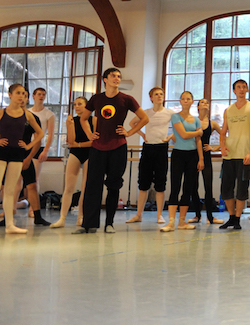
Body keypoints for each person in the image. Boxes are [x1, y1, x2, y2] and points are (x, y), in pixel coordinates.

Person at [76, 68, 149, 234]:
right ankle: (89, 224)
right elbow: (83, 118)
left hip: (118, 147)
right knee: (92, 186)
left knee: (113, 186)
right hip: (97, 147)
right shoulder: (96, 98)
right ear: (105, 79)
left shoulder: (126, 99)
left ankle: (109, 223)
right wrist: (89, 134)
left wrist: (129, 133)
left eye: (119, 76)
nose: (116, 78)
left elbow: (144, 118)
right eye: (113, 76)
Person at [0, 84, 44, 234]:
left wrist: (29, 146)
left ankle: (10, 225)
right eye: (18, 93)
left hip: (17, 154)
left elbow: (40, 134)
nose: (21, 96)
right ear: (10, 94)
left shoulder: (27, 115)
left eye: (23, 93)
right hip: (1, 153)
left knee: (9, 190)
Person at [126, 87, 173, 225]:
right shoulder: (146, 112)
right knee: (143, 183)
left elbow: (182, 124)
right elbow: (132, 123)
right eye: (156, 94)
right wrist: (143, 135)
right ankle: (138, 214)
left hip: (161, 148)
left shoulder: (170, 113)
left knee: (160, 183)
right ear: (151, 98)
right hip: (148, 148)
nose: (159, 96)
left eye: (161, 94)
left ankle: (159, 215)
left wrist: (170, 136)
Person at [218, 79, 250, 230]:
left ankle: (237, 219)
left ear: (247, 90)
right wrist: (222, 146)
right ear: (234, 90)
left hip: (244, 154)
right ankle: (230, 217)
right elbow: (223, 132)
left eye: (244, 87)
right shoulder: (228, 110)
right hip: (229, 154)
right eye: (238, 87)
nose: (241, 89)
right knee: (226, 188)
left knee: (242, 188)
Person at [162, 91, 203, 232]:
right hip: (179, 154)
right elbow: (183, 135)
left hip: (193, 156)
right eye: (183, 99)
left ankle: (182, 221)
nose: (186, 101)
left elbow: (198, 141)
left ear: (192, 101)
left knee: (188, 188)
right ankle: (171, 222)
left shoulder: (196, 119)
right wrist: (197, 132)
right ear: (180, 101)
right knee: (175, 187)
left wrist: (201, 158)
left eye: (188, 99)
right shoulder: (175, 116)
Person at [50, 97, 93, 228]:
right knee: (69, 187)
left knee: (85, 188)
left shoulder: (94, 120)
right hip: (75, 153)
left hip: (89, 153)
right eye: (75, 104)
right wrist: (70, 125)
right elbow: (71, 141)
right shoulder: (71, 120)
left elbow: (94, 141)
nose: (77, 106)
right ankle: (62, 218)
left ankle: (81, 216)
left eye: (80, 104)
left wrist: (78, 145)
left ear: (86, 106)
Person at [189, 98, 223, 225]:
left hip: (206, 156)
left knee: (208, 187)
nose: (205, 104)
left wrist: (214, 148)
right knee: (193, 187)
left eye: (207, 103)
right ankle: (197, 215)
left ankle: (210, 216)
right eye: (202, 102)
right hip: (193, 155)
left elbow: (224, 136)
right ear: (197, 107)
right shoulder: (192, 121)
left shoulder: (212, 123)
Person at [29, 88, 55, 188]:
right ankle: (19, 201)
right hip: (26, 144)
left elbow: (51, 134)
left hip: (39, 146)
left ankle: (33, 203)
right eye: (39, 94)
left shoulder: (49, 114)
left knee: (35, 177)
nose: (41, 96)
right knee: (20, 177)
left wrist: (46, 150)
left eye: (43, 94)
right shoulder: (27, 112)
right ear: (33, 96)